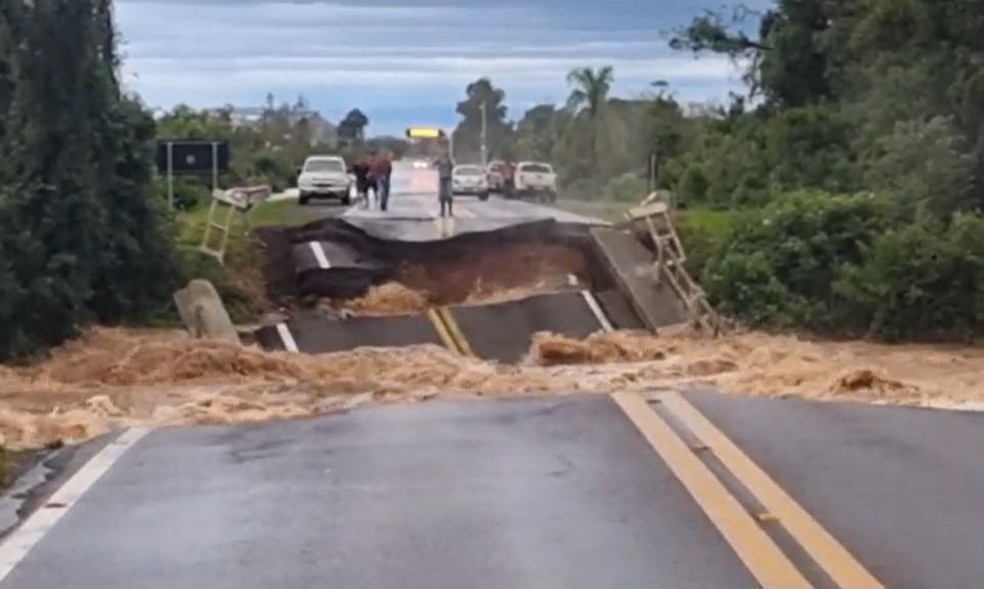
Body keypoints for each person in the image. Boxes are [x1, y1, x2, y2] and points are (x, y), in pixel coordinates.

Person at [436, 150, 454, 217]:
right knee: (443, 196)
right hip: (444, 179)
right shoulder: (441, 160)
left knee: (448, 196)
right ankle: (444, 212)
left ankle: (449, 212)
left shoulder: (449, 161)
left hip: (447, 179)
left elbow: (452, 166)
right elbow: (434, 163)